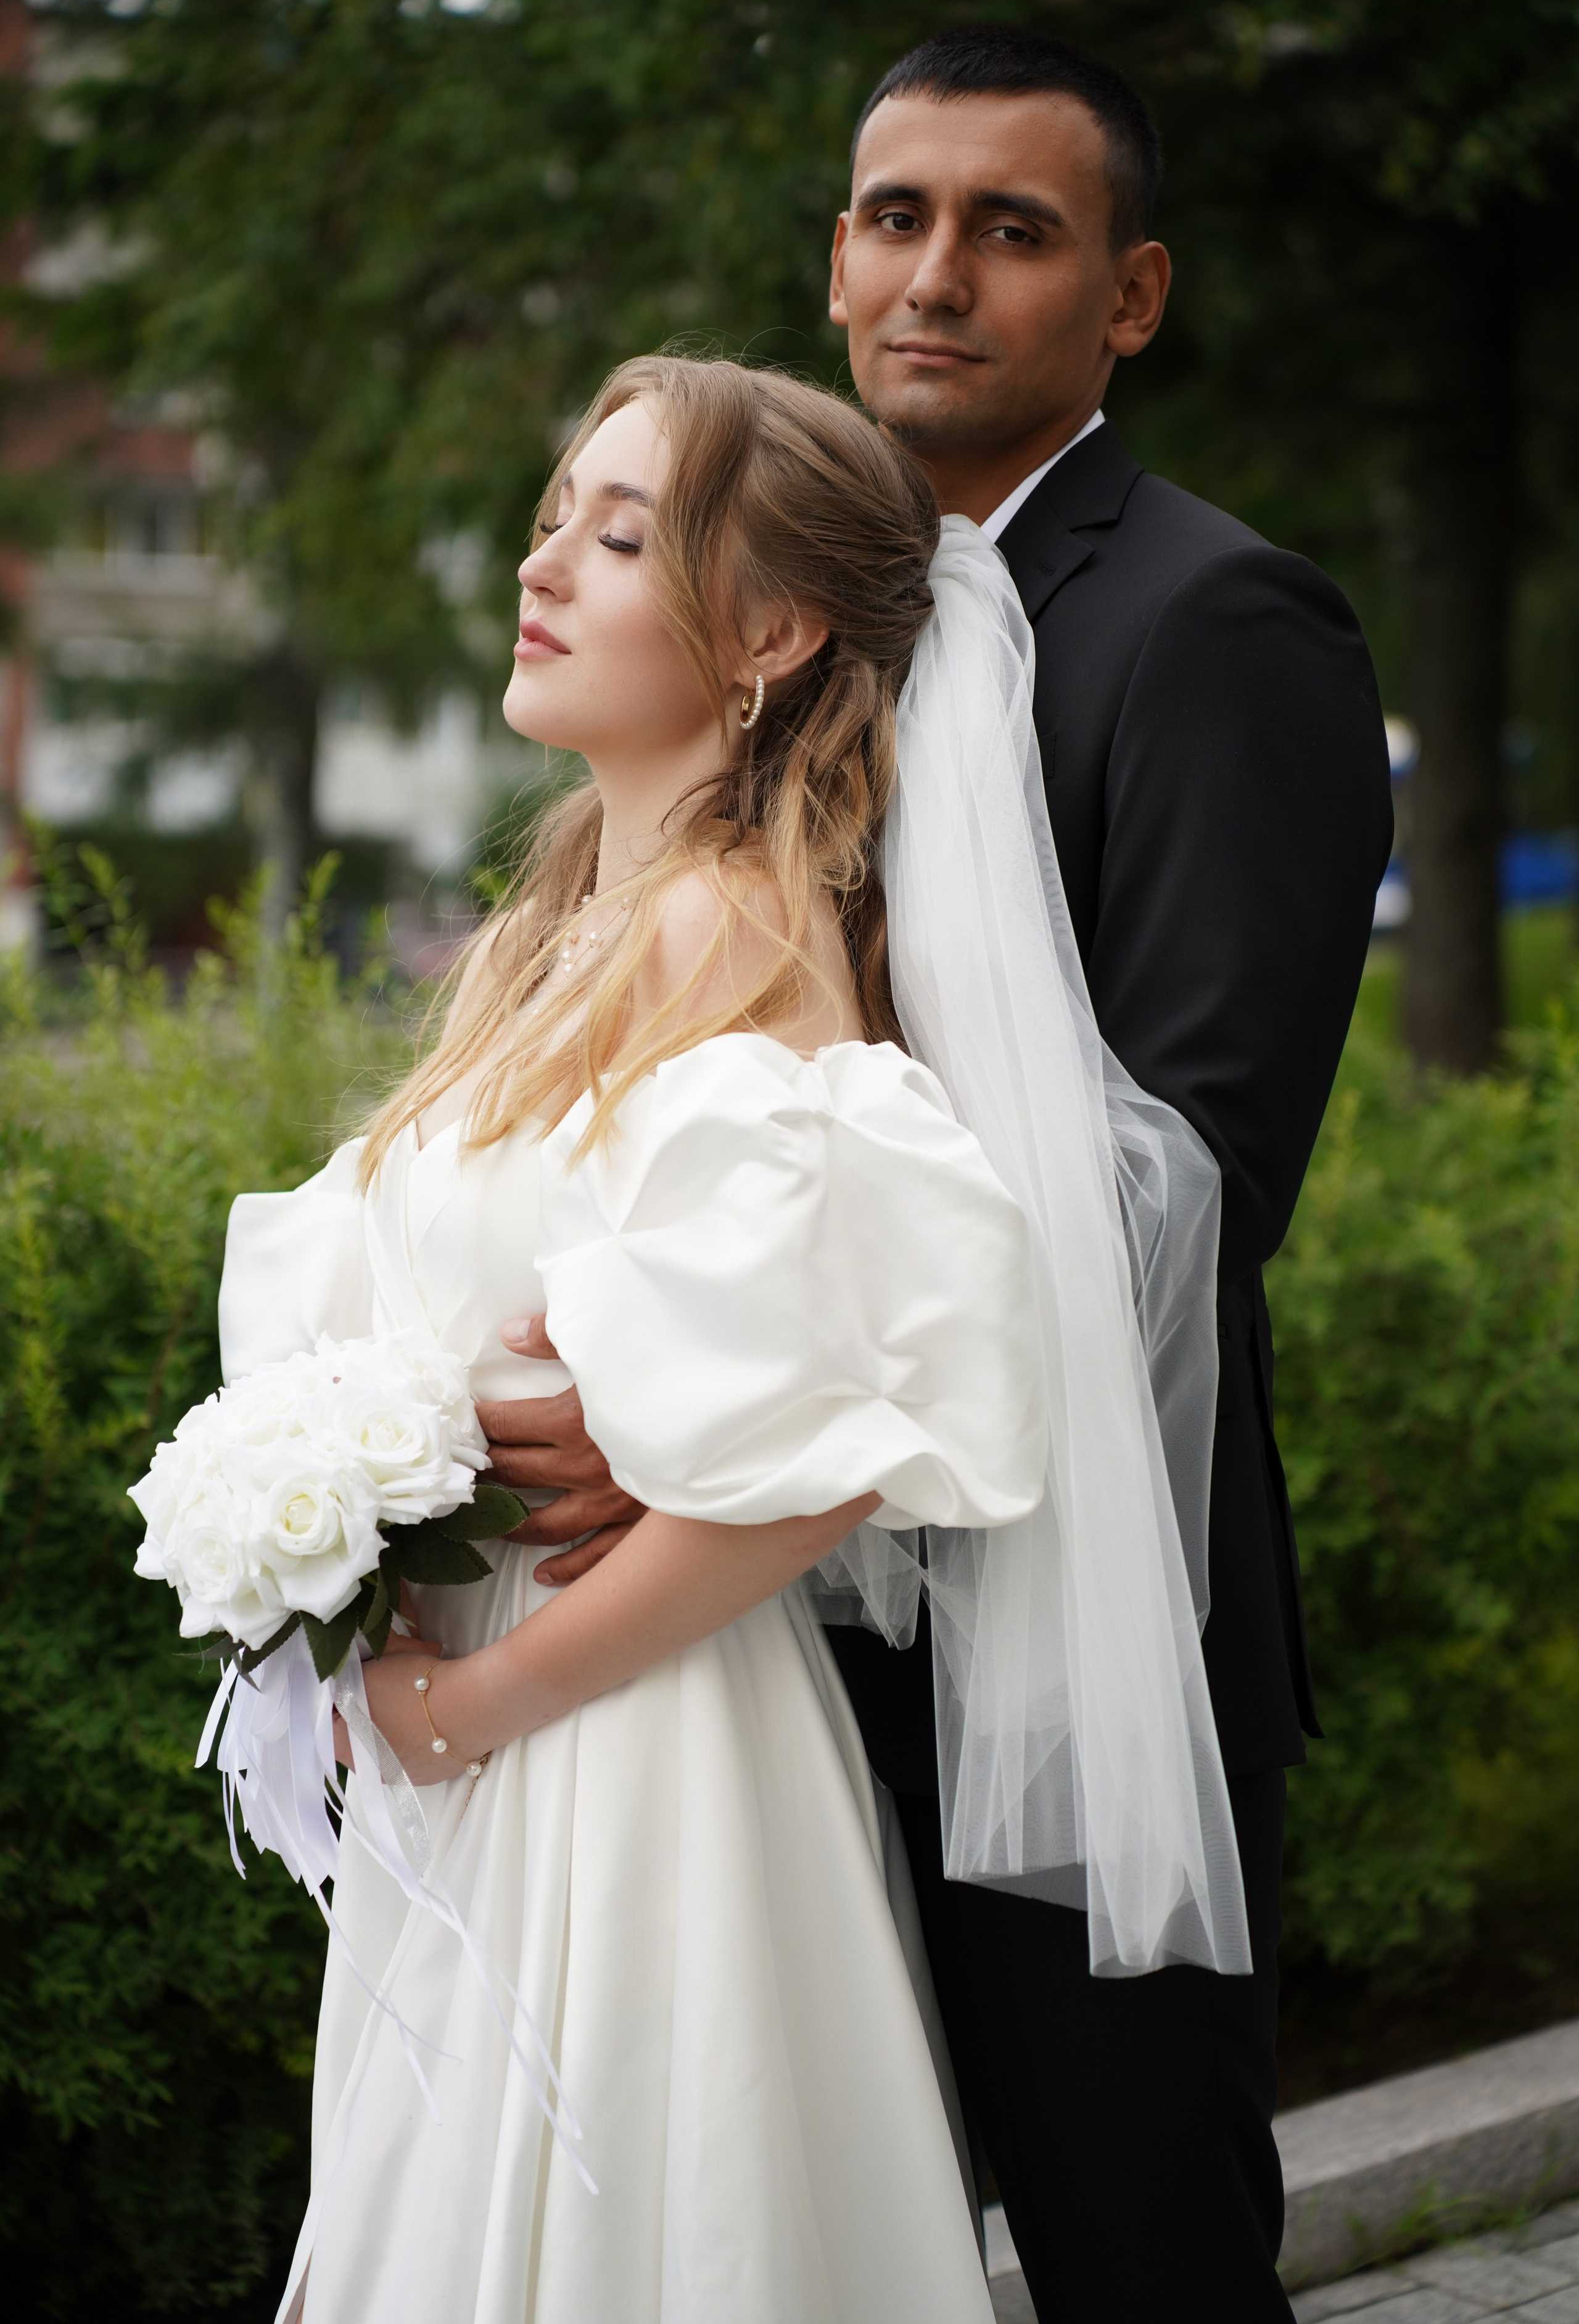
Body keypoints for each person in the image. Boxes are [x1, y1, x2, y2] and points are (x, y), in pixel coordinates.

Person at [482, 26, 1395, 2324]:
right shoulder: (773, 610)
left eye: (1017, 230)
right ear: (836, 255)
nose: (940, 276)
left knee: (1138, 2258)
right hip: (750, 1620)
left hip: (1078, 1614)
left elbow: (1190, 1183)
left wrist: (735, 1401)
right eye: (899, 217)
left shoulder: (1219, 625)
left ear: (1132, 295)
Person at [220, 355, 1060, 2324]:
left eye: (620, 535)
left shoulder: (730, 939)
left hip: (619, 1751)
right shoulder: (556, 936)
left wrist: (461, 1710)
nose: (547, 566)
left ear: (768, 632)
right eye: (554, 519)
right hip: (487, 1742)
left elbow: (835, 1442)